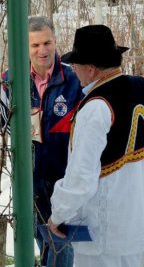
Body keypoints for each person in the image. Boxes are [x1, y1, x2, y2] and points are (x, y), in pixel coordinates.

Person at [48, 24, 144, 267]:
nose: (74, 71)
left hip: (104, 234)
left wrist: (59, 214)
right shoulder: (140, 87)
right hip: (137, 223)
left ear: (90, 69)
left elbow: (81, 176)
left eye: (76, 65)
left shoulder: (96, 106)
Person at [0, 16, 82, 266]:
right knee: (38, 238)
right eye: (35, 45)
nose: (42, 51)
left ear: (55, 40)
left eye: (47, 43)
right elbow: (4, 125)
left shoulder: (74, 79)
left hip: (63, 178)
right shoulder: (10, 79)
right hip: (28, 178)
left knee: (61, 247)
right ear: (25, 47)